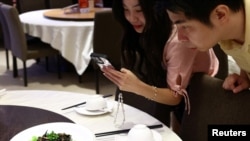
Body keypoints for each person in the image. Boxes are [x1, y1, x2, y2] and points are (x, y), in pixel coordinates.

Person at [101, 0, 219, 126]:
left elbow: (175, 97)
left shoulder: (178, 39)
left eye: (139, 10)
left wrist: (137, 86)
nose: (132, 18)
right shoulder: (149, 28)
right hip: (180, 88)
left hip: (202, 92)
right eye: (126, 9)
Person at [161, 0, 250, 94]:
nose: (180, 38)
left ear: (220, 15)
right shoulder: (225, 30)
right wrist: (245, 76)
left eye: (185, 26)